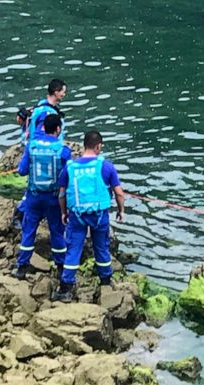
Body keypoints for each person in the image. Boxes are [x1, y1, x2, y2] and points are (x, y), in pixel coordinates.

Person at [54, 130, 125, 302]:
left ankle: (66, 289)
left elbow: (61, 194)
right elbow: (118, 192)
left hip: (77, 216)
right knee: (101, 248)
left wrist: (64, 212)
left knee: (73, 249)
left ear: (84, 145)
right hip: (99, 216)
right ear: (98, 146)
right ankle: (106, 281)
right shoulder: (106, 166)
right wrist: (121, 210)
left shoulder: (70, 167)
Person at [12, 114, 72, 280]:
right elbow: (69, 177)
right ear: (58, 129)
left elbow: (22, 170)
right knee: (57, 233)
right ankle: (61, 268)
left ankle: (21, 267)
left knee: (29, 231)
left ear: (43, 128)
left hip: (33, 197)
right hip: (54, 200)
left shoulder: (31, 146)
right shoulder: (64, 150)